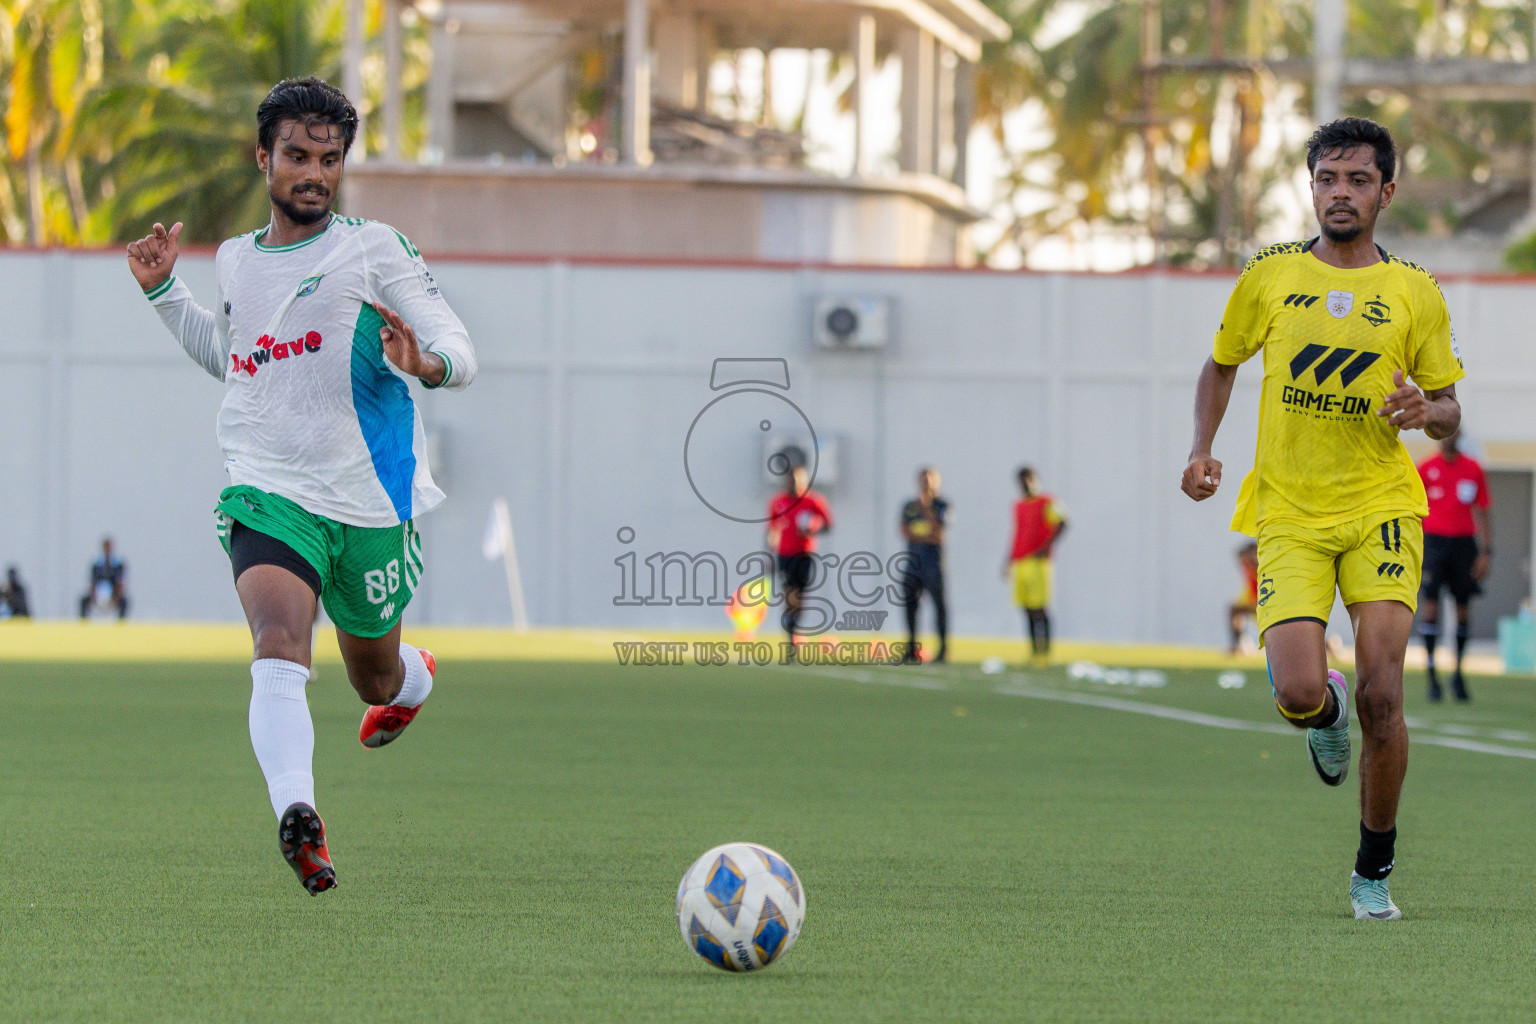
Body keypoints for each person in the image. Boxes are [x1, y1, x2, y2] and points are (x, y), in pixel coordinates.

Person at [126, 77, 477, 895]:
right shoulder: (236, 260)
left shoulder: (374, 250)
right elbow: (240, 364)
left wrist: (427, 363)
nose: (314, 172)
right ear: (264, 159)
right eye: (297, 156)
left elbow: (458, 343)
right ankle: (300, 815)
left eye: (329, 158)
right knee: (279, 642)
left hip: (365, 503)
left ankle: (413, 678)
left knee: (373, 679)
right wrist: (164, 294)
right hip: (266, 488)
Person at [1181, 117, 1463, 921]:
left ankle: (1373, 869)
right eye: (1328, 179)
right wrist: (1201, 447)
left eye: (1358, 180)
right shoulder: (1268, 275)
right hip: (1291, 513)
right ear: (1312, 188)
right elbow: (1222, 362)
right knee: (1302, 691)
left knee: (1385, 694)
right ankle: (1321, 716)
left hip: (1381, 509)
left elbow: (1447, 409)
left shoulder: (1415, 291)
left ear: (1386, 192)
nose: (1341, 193)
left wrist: (1425, 407)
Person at [1416, 431, 1492, 702]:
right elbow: (1412, 509)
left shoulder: (1473, 468)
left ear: (1459, 434)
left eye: (1452, 431)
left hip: (1463, 545)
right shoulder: (1425, 468)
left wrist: (1486, 552)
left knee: (1462, 608)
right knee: (1430, 607)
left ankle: (1458, 673)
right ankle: (1432, 676)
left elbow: (1483, 510)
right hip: (1434, 544)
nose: (1448, 437)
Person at [766, 462, 832, 652]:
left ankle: (794, 628)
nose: (794, 482)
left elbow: (828, 525)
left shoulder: (813, 501)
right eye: (791, 478)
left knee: (800, 597)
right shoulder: (778, 502)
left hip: (804, 555)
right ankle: (791, 637)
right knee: (789, 594)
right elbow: (772, 529)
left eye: (798, 478)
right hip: (784, 555)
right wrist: (768, 555)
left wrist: (813, 528)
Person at [1004, 467, 1067, 660]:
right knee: (1026, 607)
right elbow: (1017, 534)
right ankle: (1033, 651)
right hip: (1020, 562)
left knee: (1040, 606)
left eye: (1029, 479)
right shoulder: (1019, 505)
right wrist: (1008, 560)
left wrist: (1045, 547)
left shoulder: (1047, 501)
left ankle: (1045, 651)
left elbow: (1063, 522)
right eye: (1022, 480)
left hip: (1038, 562)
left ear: (1036, 480)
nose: (1026, 484)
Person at [899, 467, 949, 663]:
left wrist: (926, 508)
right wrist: (925, 535)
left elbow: (939, 534)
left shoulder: (941, 505)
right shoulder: (909, 505)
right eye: (923, 479)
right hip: (913, 564)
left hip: (934, 564)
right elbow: (905, 531)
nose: (926, 483)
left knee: (939, 607)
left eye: (930, 480)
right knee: (910, 606)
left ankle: (943, 649)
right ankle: (911, 648)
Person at [79, 538, 129, 619]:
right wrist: (93, 596)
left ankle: (121, 625)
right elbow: (92, 581)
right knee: (83, 600)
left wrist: (116, 597)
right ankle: (83, 623)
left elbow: (120, 582)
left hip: (113, 593)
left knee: (124, 601)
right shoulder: (97, 564)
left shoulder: (118, 564)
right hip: (98, 592)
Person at [1229, 540, 1259, 654]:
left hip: (1269, 606)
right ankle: (1239, 644)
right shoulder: (1249, 572)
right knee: (1234, 609)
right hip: (1256, 605)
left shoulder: (1263, 569)